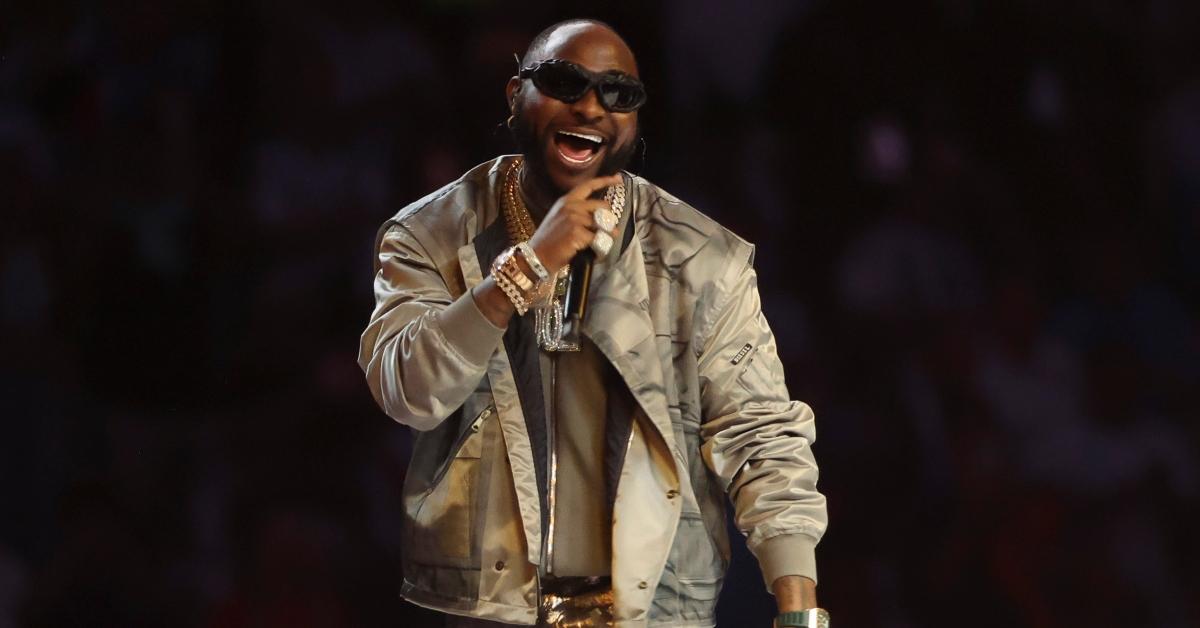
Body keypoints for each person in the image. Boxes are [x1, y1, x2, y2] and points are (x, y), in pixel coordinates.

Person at [358, 18, 829, 628]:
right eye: (563, 82)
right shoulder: (430, 233)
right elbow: (408, 392)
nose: (590, 106)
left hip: (656, 608)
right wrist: (523, 270)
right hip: (489, 610)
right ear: (514, 95)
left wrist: (798, 611)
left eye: (618, 94)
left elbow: (760, 432)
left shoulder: (701, 257)